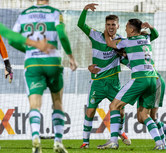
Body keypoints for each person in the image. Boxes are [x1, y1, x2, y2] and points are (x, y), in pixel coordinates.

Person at [11, 0, 77, 153]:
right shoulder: (55, 12)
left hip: (32, 63)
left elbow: (12, 39)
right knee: (58, 102)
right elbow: (62, 34)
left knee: (35, 104)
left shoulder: (24, 14)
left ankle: (35, 138)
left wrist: (28, 50)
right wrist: (71, 57)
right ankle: (58, 142)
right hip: (53, 62)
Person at [97, 19, 166, 150]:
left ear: (132, 30)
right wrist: (151, 27)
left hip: (141, 78)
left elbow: (109, 43)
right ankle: (160, 143)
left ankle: (113, 141)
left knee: (114, 105)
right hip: (153, 78)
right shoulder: (146, 37)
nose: (125, 30)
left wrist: (106, 32)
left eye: (127, 27)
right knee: (144, 115)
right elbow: (155, 34)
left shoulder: (127, 41)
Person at [77, 3, 131, 148]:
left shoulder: (120, 41)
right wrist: (85, 10)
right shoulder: (96, 35)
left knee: (120, 110)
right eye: (108, 24)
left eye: (113, 24)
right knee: (90, 110)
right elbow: (81, 24)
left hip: (114, 82)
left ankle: (119, 132)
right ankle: (85, 142)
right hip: (98, 82)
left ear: (118, 26)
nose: (110, 27)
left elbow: (125, 58)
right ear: (105, 25)